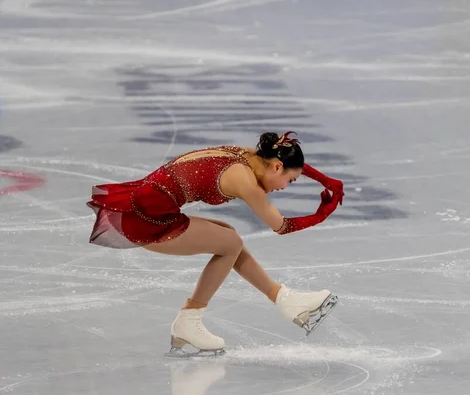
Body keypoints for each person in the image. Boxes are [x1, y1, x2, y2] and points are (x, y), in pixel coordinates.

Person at [86, 131, 345, 357]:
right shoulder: (245, 182)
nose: (285, 187)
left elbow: (289, 159)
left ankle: (284, 299)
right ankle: (189, 320)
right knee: (230, 242)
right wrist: (323, 213)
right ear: (277, 167)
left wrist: (325, 180)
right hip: (147, 219)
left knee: (227, 235)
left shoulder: (248, 156)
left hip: (145, 207)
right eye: (290, 181)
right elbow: (281, 226)